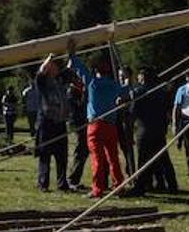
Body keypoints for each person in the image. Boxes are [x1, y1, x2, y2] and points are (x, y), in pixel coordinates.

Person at [67, 40, 129, 199]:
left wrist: (72, 52)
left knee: (97, 158)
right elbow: (126, 90)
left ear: (96, 71)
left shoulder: (92, 82)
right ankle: (119, 186)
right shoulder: (114, 85)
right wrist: (127, 81)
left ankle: (98, 189)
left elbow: (78, 67)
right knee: (113, 158)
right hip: (111, 125)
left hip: (95, 126)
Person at [127, 66, 176, 194]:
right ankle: (171, 185)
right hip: (159, 129)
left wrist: (129, 130)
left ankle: (140, 187)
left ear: (143, 78)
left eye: (139, 76)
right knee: (163, 159)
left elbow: (133, 113)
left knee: (143, 159)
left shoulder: (138, 92)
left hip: (144, 129)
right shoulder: (160, 91)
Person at [31, 54, 73, 191]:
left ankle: (62, 183)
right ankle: (43, 184)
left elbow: (70, 65)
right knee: (45, 154)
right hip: (46, 122)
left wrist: (71, 51)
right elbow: (41, 70)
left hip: (60, 122)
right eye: (54, 65)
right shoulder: (42, 82)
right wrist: (49, 58)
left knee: (62, 155)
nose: (56, 67)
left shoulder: (59, 79)